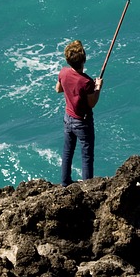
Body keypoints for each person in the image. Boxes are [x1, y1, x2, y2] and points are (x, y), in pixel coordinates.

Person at [55, 39, 102, 186]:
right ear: (84, 60)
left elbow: (58, 89)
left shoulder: (63, 72)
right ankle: (88, 187)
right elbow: (92, 103)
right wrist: (98, 88)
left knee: (67, 152)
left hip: (68, 118)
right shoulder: (86, 82)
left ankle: (65, 183)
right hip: (82, 122)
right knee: (87, 156)